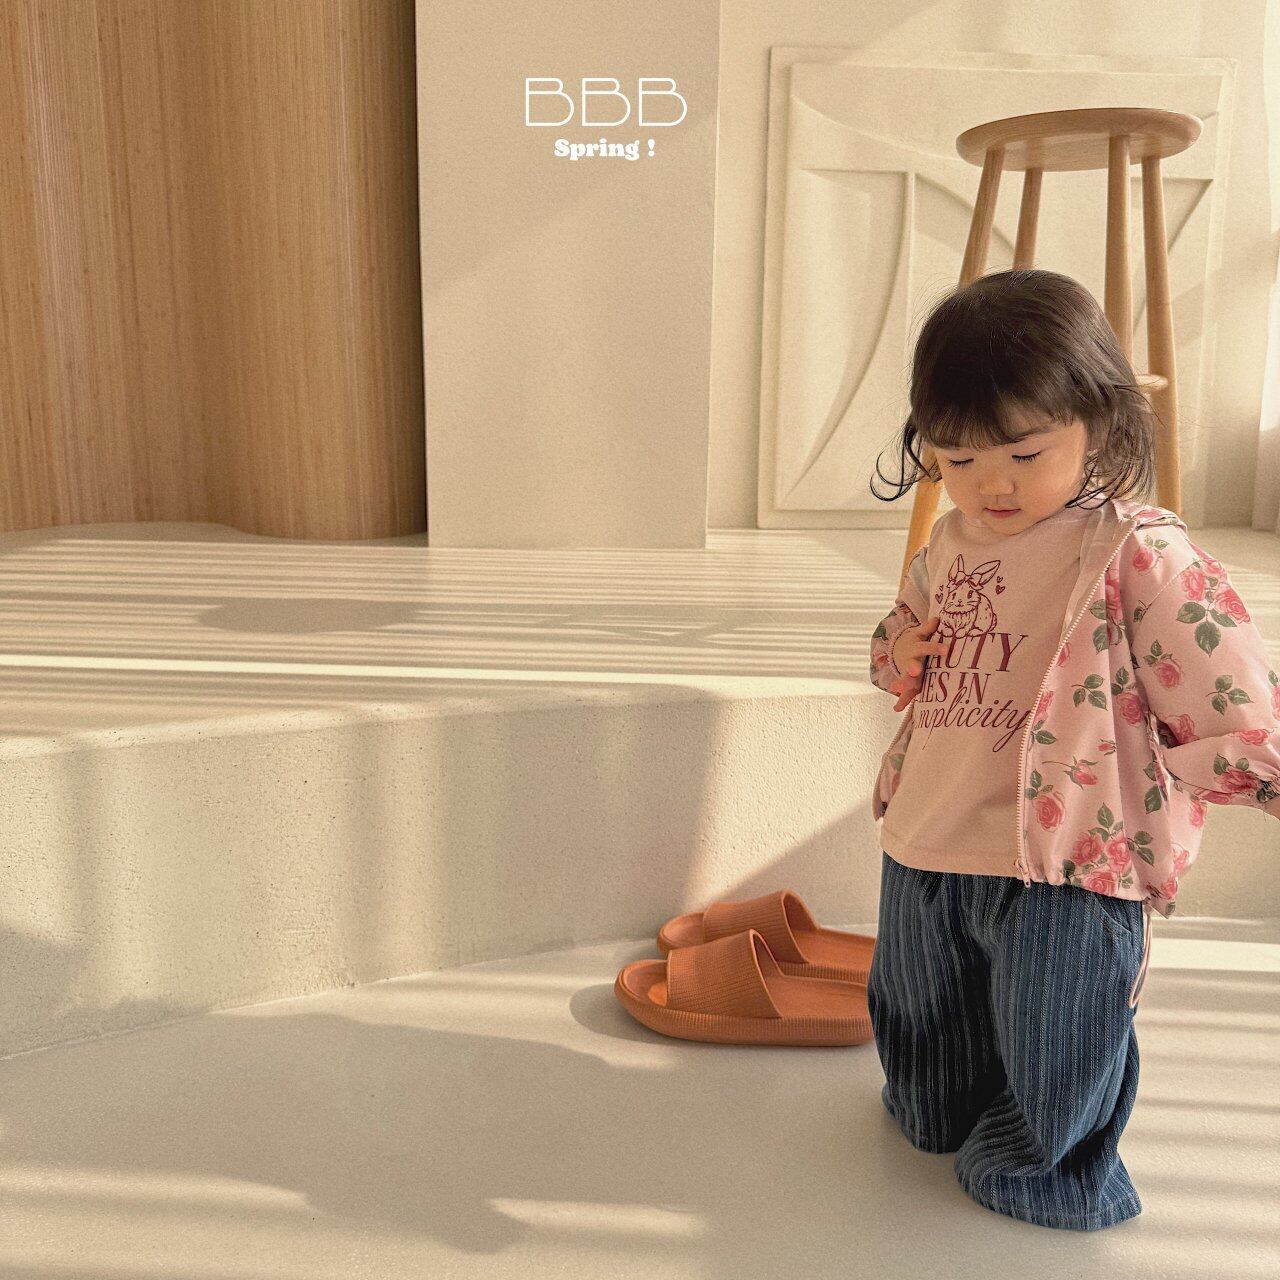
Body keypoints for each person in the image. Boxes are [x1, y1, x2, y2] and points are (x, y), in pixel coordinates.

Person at [864, 267, 1280, 1231]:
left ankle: (1046, 1174)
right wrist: (899, 653)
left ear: (1099, 422)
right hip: (929, 837)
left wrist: (1255, 770)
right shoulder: (950, 542)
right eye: (960, 458)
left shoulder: (1137, 551)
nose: (993, 483)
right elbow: (899, 640)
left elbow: (1221, 676)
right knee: (924, 1024)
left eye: (1025, 452)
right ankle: (938, 1108)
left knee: (1060, 1040)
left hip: (1070, 861)